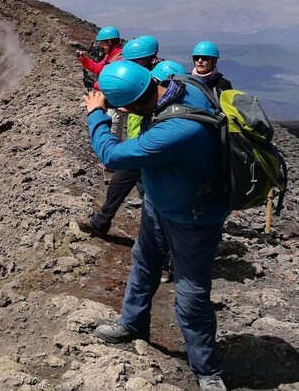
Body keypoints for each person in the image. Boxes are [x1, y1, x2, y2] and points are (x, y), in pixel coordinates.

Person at [82, 61, 229, 391]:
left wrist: (95, 113)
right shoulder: (176, 85)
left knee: (191, 293)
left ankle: (207, 370)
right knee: (144, 264)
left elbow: (112, 156)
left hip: (193, 217)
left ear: (132, 105)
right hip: (159, 204)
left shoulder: (177, 129)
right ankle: (132, 324)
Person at [76, 36, 161, 237]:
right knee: (121, 180)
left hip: (149, 142)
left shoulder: (152, 80)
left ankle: (165, 248)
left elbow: (111, 155)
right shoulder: (149, 80)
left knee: (149, 191)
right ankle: (101, 221)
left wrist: (96, 113)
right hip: (140, 137)